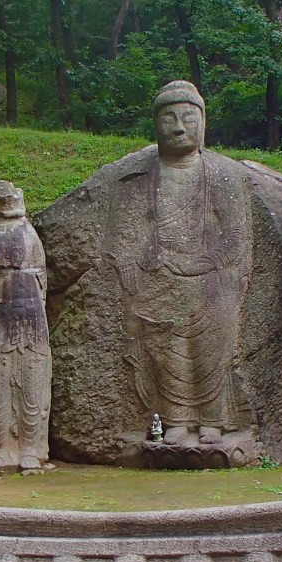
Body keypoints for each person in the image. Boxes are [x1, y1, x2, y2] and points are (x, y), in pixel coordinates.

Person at [107, 80, 253, 447]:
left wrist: (198, 265)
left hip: (209, 279)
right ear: (155, 126)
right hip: (160, 278)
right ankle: (175, 420)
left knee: (210, 350)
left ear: (203, 124)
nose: (178, 127)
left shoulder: (223, 174)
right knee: (164, 351)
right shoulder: (140, 176)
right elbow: (124, 231)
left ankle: (213, 421)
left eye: (188, 118)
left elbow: (235, 239)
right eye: (168, 119)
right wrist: (135, 261)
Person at [0, 180, 51, 474]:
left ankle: (31, 447)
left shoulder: (28, 232)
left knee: (32, 388)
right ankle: (0, 447)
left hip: (31, 318)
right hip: (0, 315)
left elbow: (41, 281)